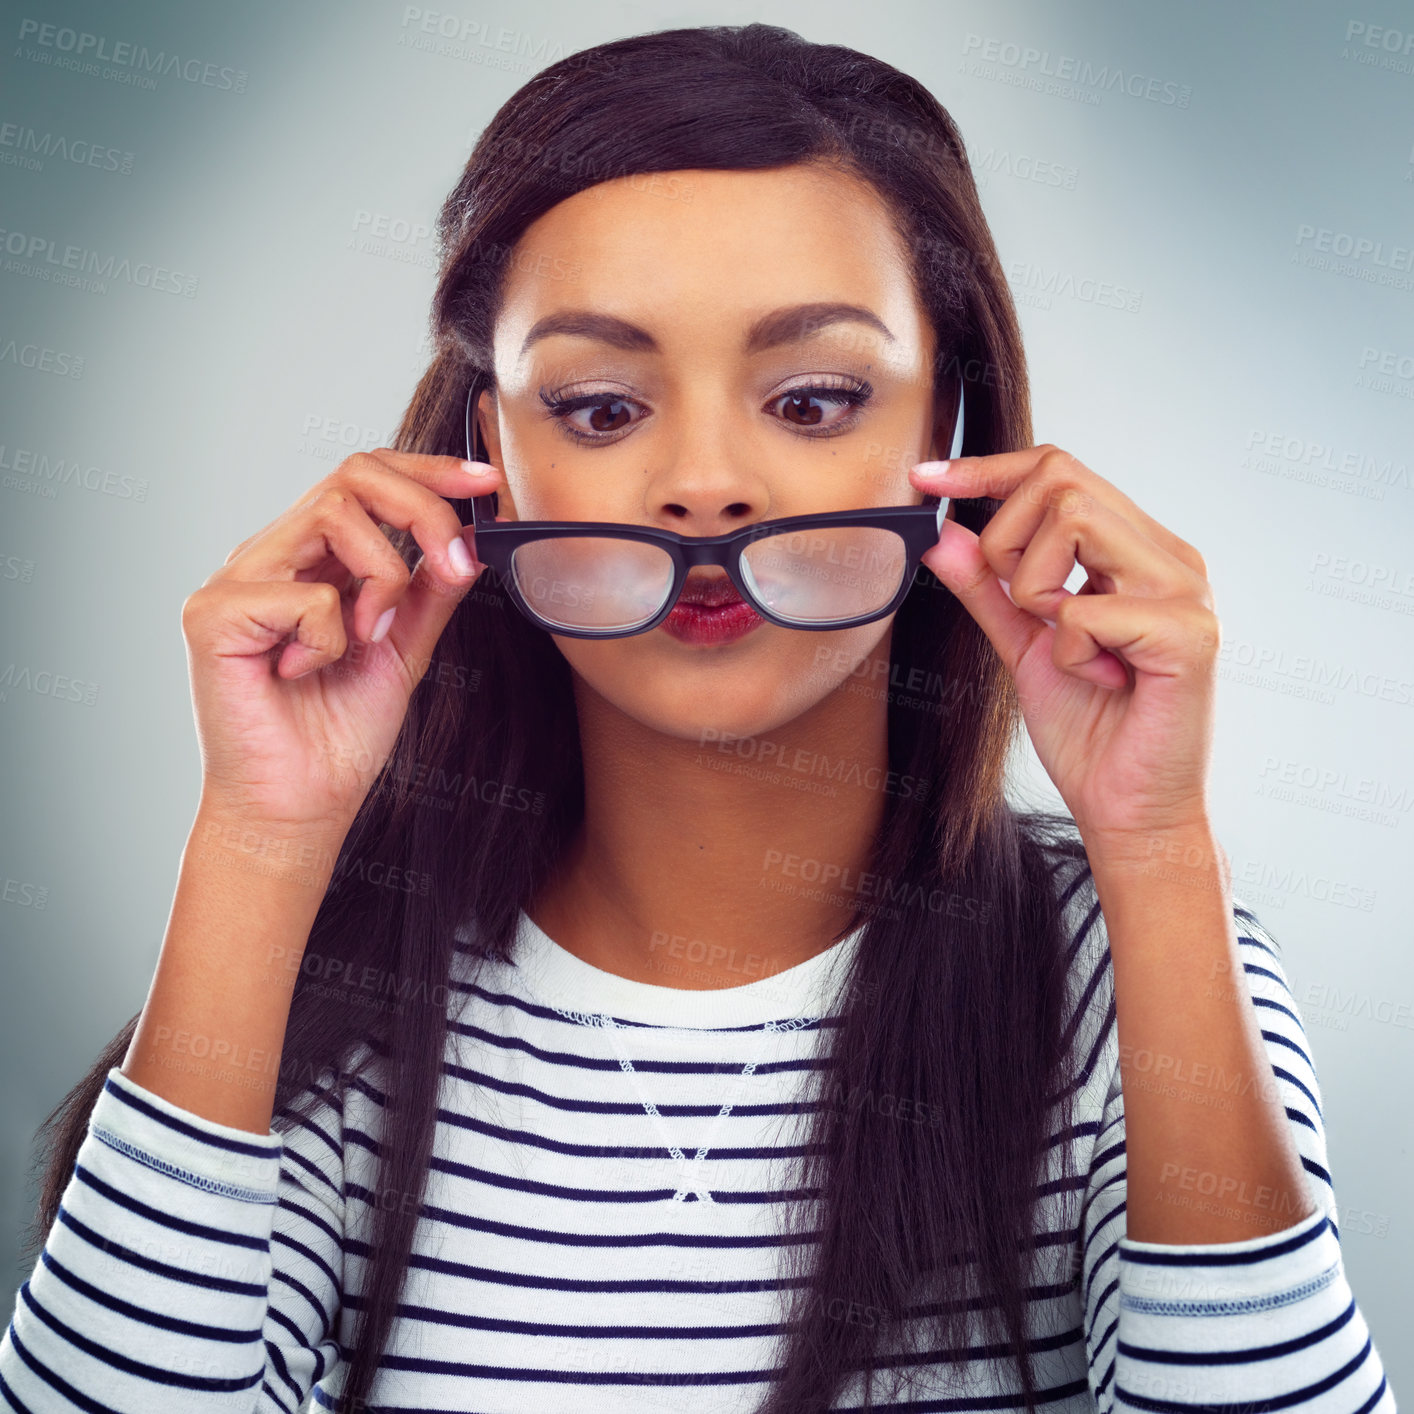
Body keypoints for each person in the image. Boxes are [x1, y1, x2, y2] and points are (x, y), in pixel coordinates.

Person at [1, 22, 1395, 1414]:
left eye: (809, 397)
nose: (706, 483)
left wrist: (1153, 848)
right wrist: (262, 837)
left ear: (953, 429)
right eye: (602, 406)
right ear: (490, 452)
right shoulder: (333, 1005)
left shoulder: (1125, 974)